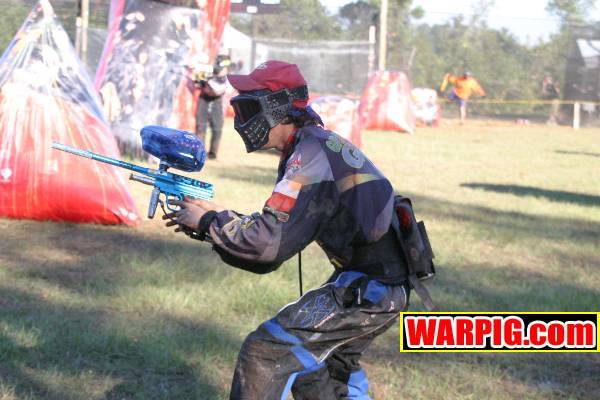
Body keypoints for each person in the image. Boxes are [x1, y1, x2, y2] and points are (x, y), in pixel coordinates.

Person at [164, 60, 434, 399]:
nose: (243, 120)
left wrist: (208, 223)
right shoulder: (312, 145)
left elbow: (266, 247)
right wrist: (217, 215)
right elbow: (279, 227)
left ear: (278, 108)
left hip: (374, 287)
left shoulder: (309, 157)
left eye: (250, 108)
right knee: (320, 368)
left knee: (266, 353)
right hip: (379, 281)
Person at [194, 56, 230, 159]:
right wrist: (200, 77)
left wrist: (208, 80)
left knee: (217, 128)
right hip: (204, 100)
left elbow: (218, 90)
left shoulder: (225, 78)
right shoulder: (207, 73)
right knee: (201, 127)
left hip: (217, 102)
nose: (224, 70)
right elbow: (197, 83)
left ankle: (213, 154)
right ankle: (200, 153)